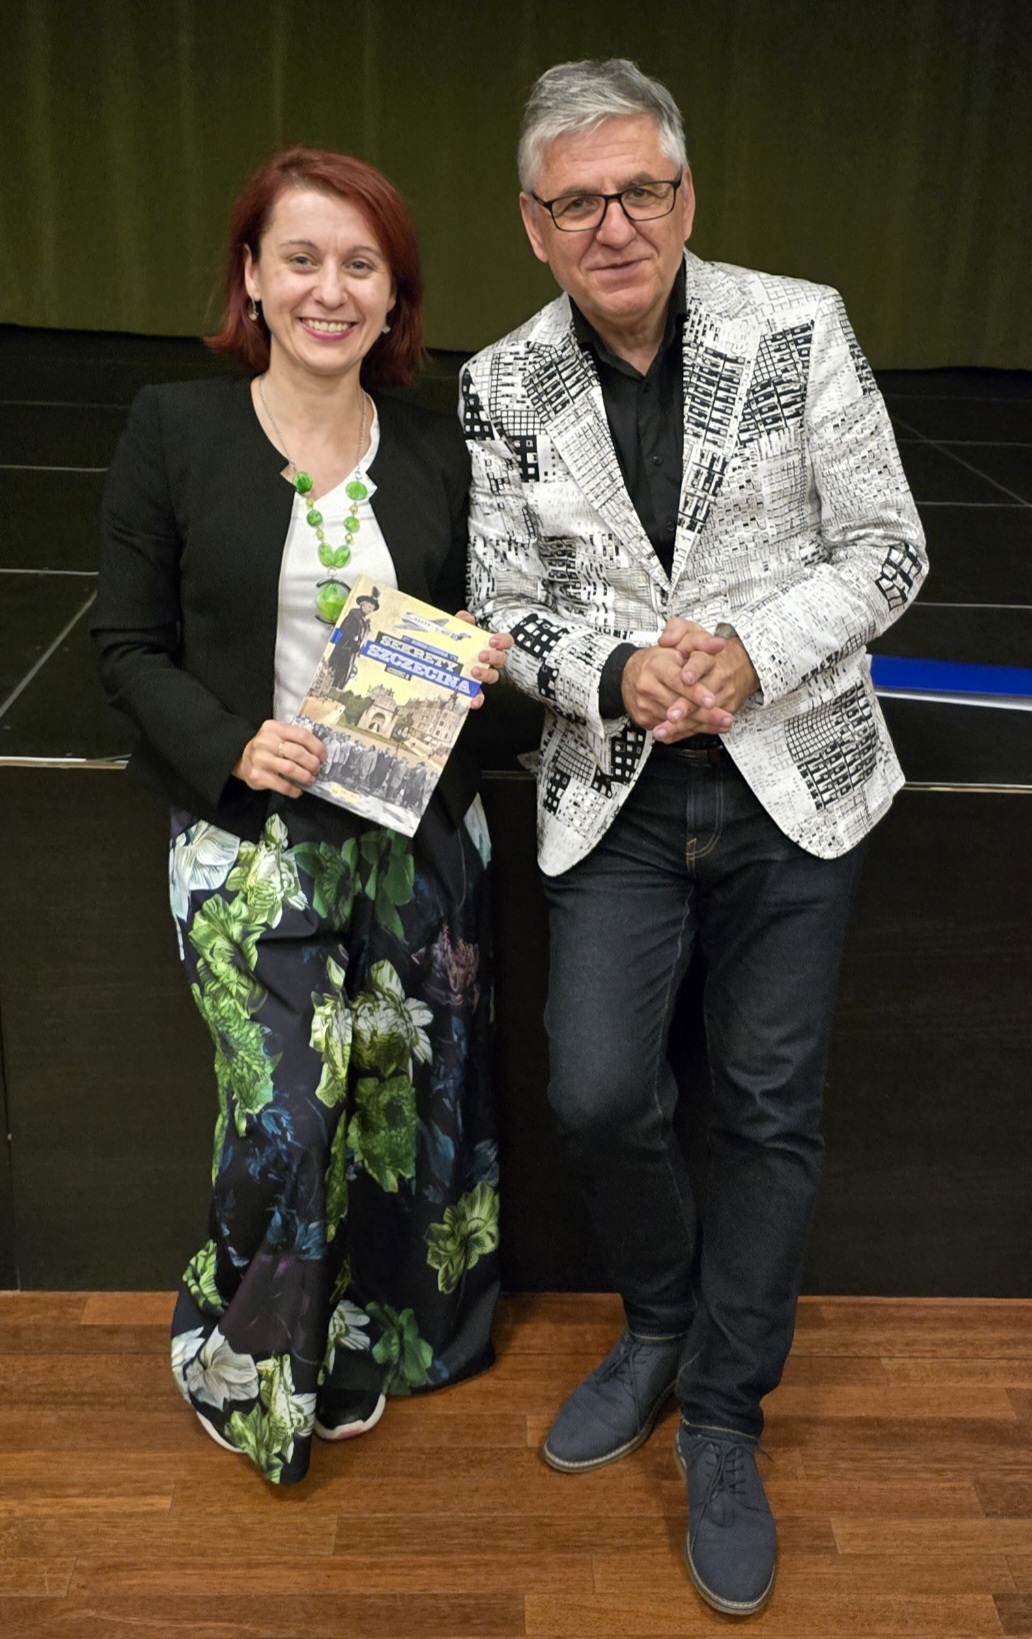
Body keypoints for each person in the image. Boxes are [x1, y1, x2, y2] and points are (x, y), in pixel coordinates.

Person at [463, 59, 926, 1615]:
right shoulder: (499, 383)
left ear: (685, 196)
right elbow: (494, 604)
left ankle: (725, 1413)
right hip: (619, 792)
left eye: (640, 190)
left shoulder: (798, 325)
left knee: (768, 1110)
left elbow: (887, 549)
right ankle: (660, 1319)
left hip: (800, 779)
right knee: (598, 1093)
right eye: (578, 202)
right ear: (533, 224)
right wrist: (609, 671)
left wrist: (748, 651)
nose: (614, 224)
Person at [93, 146, 510, 1487]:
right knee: (290, 1118)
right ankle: (246, 1353)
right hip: (249, 842)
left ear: (394, 297)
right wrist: (233, 744)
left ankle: (366, 1332)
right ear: (254, 280)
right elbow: (126, 647)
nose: (332, 289)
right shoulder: (174, 427)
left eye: (361, 265)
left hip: (409, 835)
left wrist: (478, 657)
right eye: (303, 259)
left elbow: (467, 628)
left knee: (399, 1098)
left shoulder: (437, 445)